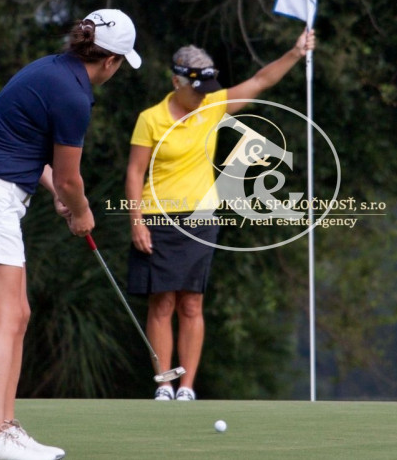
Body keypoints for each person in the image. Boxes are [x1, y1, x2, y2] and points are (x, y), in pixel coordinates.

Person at [0, 9, 141, 460]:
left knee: (18, 314)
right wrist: (80, 212)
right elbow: (71, 178)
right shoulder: (74, 94)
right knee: (3, 318)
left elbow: (29, 151)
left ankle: (5, 429)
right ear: (111, 61)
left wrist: (56, 192)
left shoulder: (51, 69)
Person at [125, 28, 316, 401]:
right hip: (158, 217)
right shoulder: (151, 119)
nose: (202, 96)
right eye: (196, 89)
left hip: (202, 218)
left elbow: (260, 81)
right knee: (162, 302)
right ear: (176, 81)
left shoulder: (212, 106)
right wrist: (137, 222)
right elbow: (134, 173)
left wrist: (295, 53)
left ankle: (186, 387)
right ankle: (164, 384)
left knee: (191, 302)